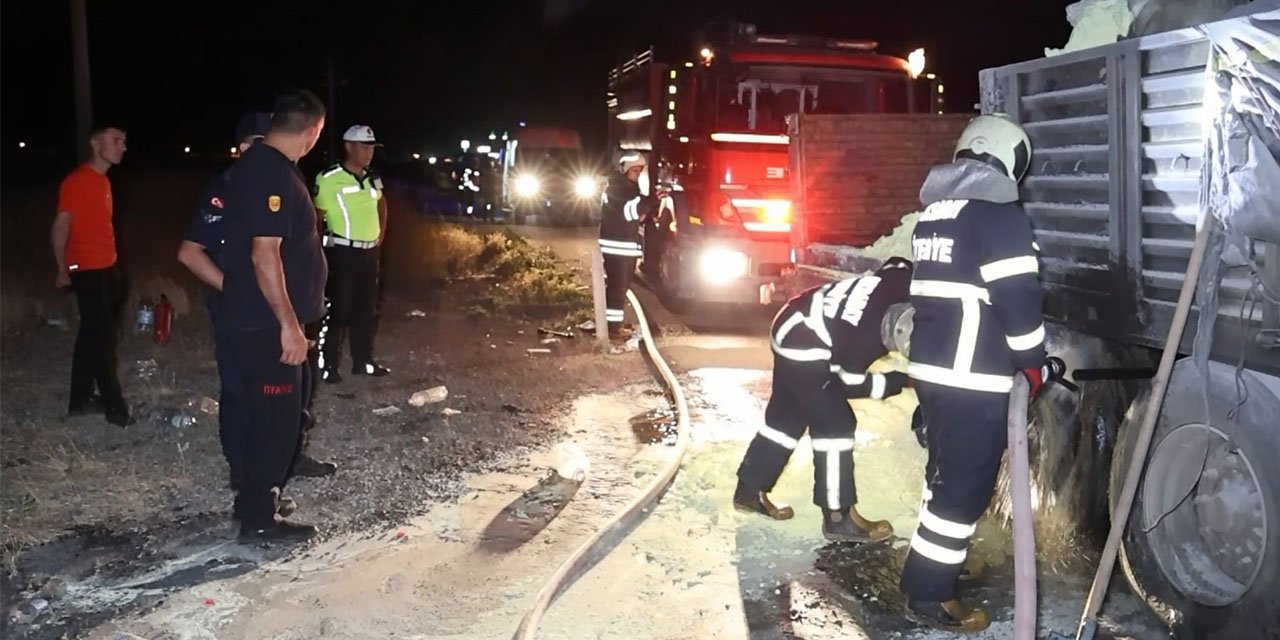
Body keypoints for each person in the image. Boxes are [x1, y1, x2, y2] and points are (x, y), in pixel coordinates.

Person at [898, 113, 1056, 631]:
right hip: (974, 379)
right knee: (962, 490)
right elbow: (1019, 303)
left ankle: (932, 564)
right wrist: (1034, 366)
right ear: (1010, 159)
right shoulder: (998, 217)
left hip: (933, 372)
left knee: (942, 478)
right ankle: (928, 593)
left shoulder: (936, 213)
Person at [178, 112, 311, 514]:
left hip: (274, 308)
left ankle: (284, 462)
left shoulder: (279, 183)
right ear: (242, 147)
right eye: (257, 141)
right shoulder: (227, 188)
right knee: (242, 393)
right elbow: (189, 253)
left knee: (292, 394)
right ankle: (246, 476)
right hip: (243, 312)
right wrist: (239, 291)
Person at [734, 258, 914, 542]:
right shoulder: (865, 338)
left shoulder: (897, 283)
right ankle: (838, 518)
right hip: (805, 341)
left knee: (786, 417)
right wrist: (900, 381)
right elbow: (850, 383)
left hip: (790, 319)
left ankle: (749, 490)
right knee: (836, 423)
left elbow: (897, 264)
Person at [220, 89, 330, 542]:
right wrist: (289, 325)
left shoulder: (257, 167)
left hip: (251, 318)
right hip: (267, 325)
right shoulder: (272, 174)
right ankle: (260, 521)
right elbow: (265, 255)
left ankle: (251, 504)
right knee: (278, 420)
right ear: (311, 131)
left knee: (262, 414)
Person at [51, 124, 132, 427]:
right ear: (95, 144)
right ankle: (114, 404)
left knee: (91, 334)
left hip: (107, 267)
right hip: (86, 269)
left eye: (124, 141)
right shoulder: (77, 181)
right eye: (116, 141)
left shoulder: (103, 182)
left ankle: (79, 399)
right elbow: (60, 226)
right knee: (102, 337)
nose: (122, 146)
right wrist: (62, 267)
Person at [313, 125, 389, 383]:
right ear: (348, 147)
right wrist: (316, 252)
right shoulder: (328, 179)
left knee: (366, 310)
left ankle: (363, 361)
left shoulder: (372, 177)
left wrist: (381, 236)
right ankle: (329, 365)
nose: (369, 153)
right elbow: (317, 216)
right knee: (338, 311)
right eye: (364, 147)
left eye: (372, 148)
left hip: (370, 253)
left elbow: (382, 204)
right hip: (342, 252)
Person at [598, 153, 660, 341]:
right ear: (625, 170)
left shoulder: (628, 189)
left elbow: (638, 214)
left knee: (620, 289)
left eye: (640, 171)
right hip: (617, 247)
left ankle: (613, 325)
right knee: (617, 289)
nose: (638, 174)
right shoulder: (617, 189)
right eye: (634, 170)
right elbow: (630, 212)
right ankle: (612, 329)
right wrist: (650, 201)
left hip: (625, 246)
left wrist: (648, 206)